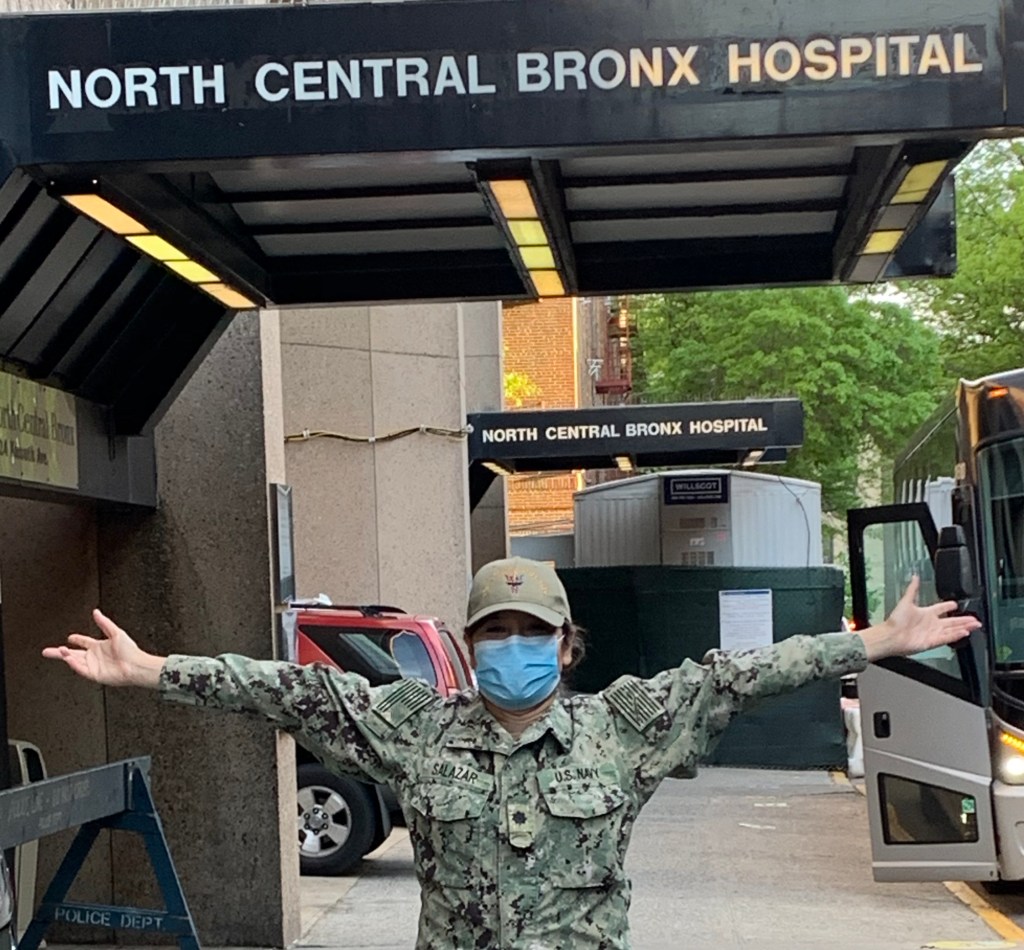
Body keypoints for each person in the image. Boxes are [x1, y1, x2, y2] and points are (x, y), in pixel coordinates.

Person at [43, 556, 980, 950]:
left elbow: (741, 673)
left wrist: (871, 644)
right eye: (495, 631)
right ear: (471, 640)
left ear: (567, 644)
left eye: (533, 632)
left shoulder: (627, 726)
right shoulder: (418, 726)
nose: (513, 648)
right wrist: (154, 670)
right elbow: (291, 690)